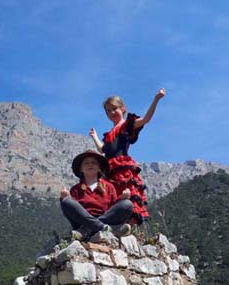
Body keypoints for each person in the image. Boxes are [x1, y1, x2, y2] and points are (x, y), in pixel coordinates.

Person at [89, 89, 166, 224]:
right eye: (108, 111)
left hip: (122, 167)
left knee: (126, 194)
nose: (112, 112)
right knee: (110, 196)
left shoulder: (126, 125)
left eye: (114, 109)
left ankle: (128, 226)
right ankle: (113, 225)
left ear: (123, 108)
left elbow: (146, 119)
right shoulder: (108, 134)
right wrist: (95, 137)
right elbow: (103, 150)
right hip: (108, 169)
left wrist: (156, 99)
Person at [60, 150, 133, 241]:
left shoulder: (109, 187)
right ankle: (105, 229)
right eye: (86, 163)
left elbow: (113, 208)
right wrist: (64, 197)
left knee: (127, 204)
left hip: (105, 219)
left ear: (99, 168)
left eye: (94, 162)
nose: (90, 165)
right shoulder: (76, 189)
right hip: (82, 221)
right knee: (67, 201)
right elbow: (73, 211)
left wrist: (122, 198)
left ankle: (85, 231)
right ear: (81, 169)